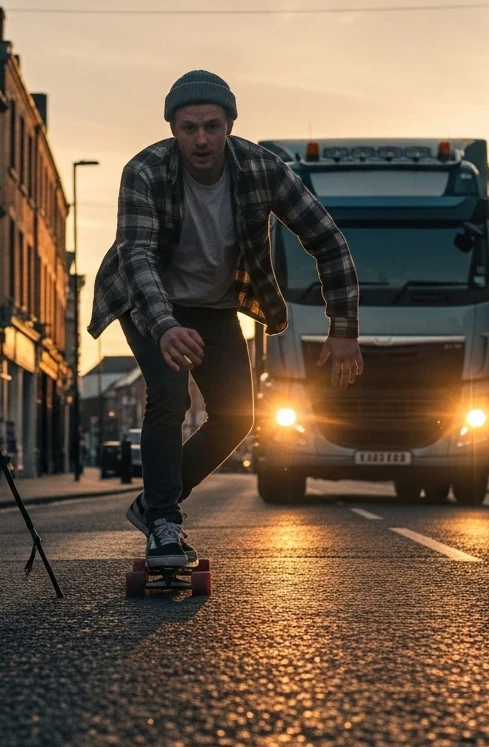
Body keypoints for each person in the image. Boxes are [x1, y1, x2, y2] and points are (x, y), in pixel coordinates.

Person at [87, 70, 363, 569]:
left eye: (212, 126)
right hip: (148, 299)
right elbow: (139, 257)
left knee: (239, 417)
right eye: (189, 127)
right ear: (172, 128)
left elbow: (328, 239)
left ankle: (152, 505)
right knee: (168, 395)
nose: (201, 139)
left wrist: (343, 328)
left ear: (230, 125)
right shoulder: (145, 171)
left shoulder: (262, 168)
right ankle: (165, 524)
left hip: (213, 307)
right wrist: (165, 325)